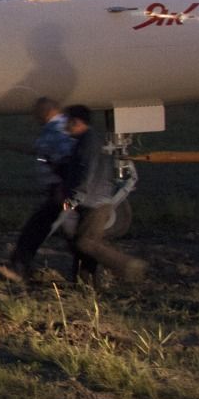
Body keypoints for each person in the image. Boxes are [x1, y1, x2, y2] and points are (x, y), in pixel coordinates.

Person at [53, 105, 146, 286]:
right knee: (81, 244)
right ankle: (85, 283)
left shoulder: (88, 143)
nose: (64, 127)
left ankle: (127, 265)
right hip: (93, 201)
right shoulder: (85, 141)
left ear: (76, 122)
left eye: (66, 122)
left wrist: (72, 201)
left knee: (85, 243)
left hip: (94, 203)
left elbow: (87, 174)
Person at [0, 97, 75, 282]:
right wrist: (12, 146)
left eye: (37, 113)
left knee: (36, 229)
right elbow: (42, 151)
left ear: (47, 112)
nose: (34, 117)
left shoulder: (57, 129)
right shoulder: (58, 128)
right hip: (62, 190)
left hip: (60, 191)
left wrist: (62, 184)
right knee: (67, 232)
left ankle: (19, 268)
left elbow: (64, 157)